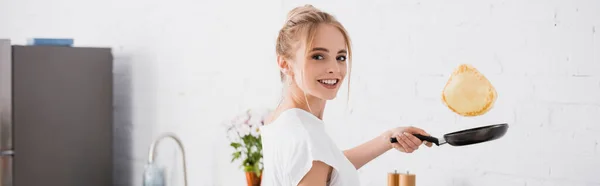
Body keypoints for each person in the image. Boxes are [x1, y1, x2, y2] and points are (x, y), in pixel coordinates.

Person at [260, 4, 433, 186]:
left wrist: (388, 138)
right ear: (285, 63)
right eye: (318, 56)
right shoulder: (307, 140)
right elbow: (315, 159)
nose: (334, 69)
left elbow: (330, 168)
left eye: (340, 57)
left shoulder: (285, 120)